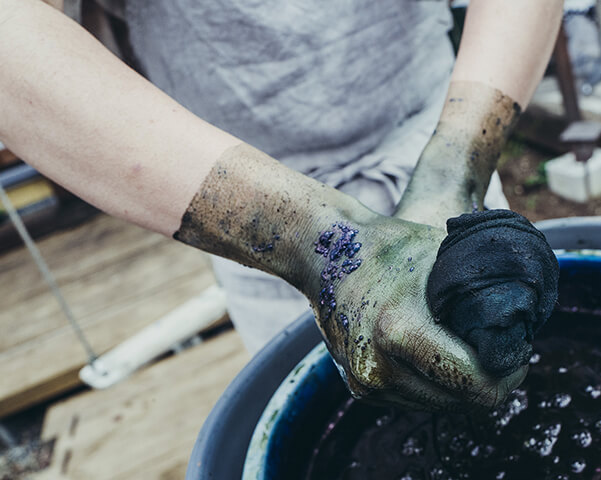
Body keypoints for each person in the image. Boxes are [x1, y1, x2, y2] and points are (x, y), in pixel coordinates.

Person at [0, 0, 563, 411]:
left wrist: (455, 169)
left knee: (498, 375)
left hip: (444, 137)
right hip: (249, 207)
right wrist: (315, 241)